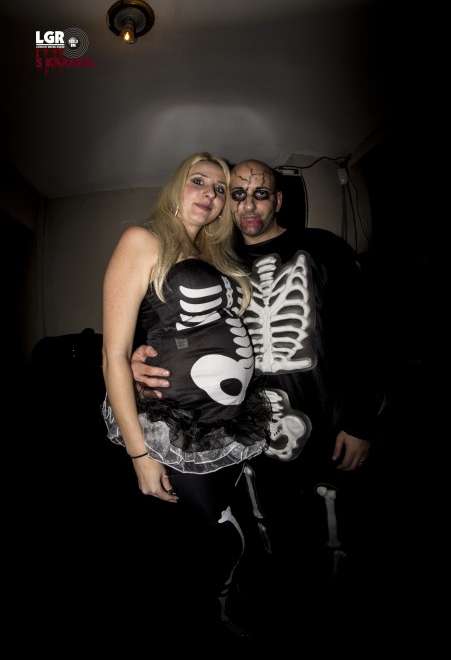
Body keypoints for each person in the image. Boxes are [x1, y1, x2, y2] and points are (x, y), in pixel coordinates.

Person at [130, 158, 387, 640]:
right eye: (238, 194)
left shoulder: (323, 247)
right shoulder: (217, 262)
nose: (248, 205)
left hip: (327, 419)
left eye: (261, 194)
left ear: (279, 200)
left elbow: (366, 333)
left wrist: (361, 420)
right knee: (267, 531)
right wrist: (137, 358)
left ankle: (343, 620)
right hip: (247, 429)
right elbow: (175, 325)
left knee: (339, 529)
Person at [101, 152, 271, 640]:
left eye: (219, 189)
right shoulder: (143, 240)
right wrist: (140, 455)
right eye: (200, 181)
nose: (211, 195)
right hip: (176, 421)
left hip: (228, 422)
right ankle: (199, 622)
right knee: (212, 535)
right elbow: (114, 355)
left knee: (215, 534)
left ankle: (215, 610)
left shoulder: (217, 255)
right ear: (177, 186)